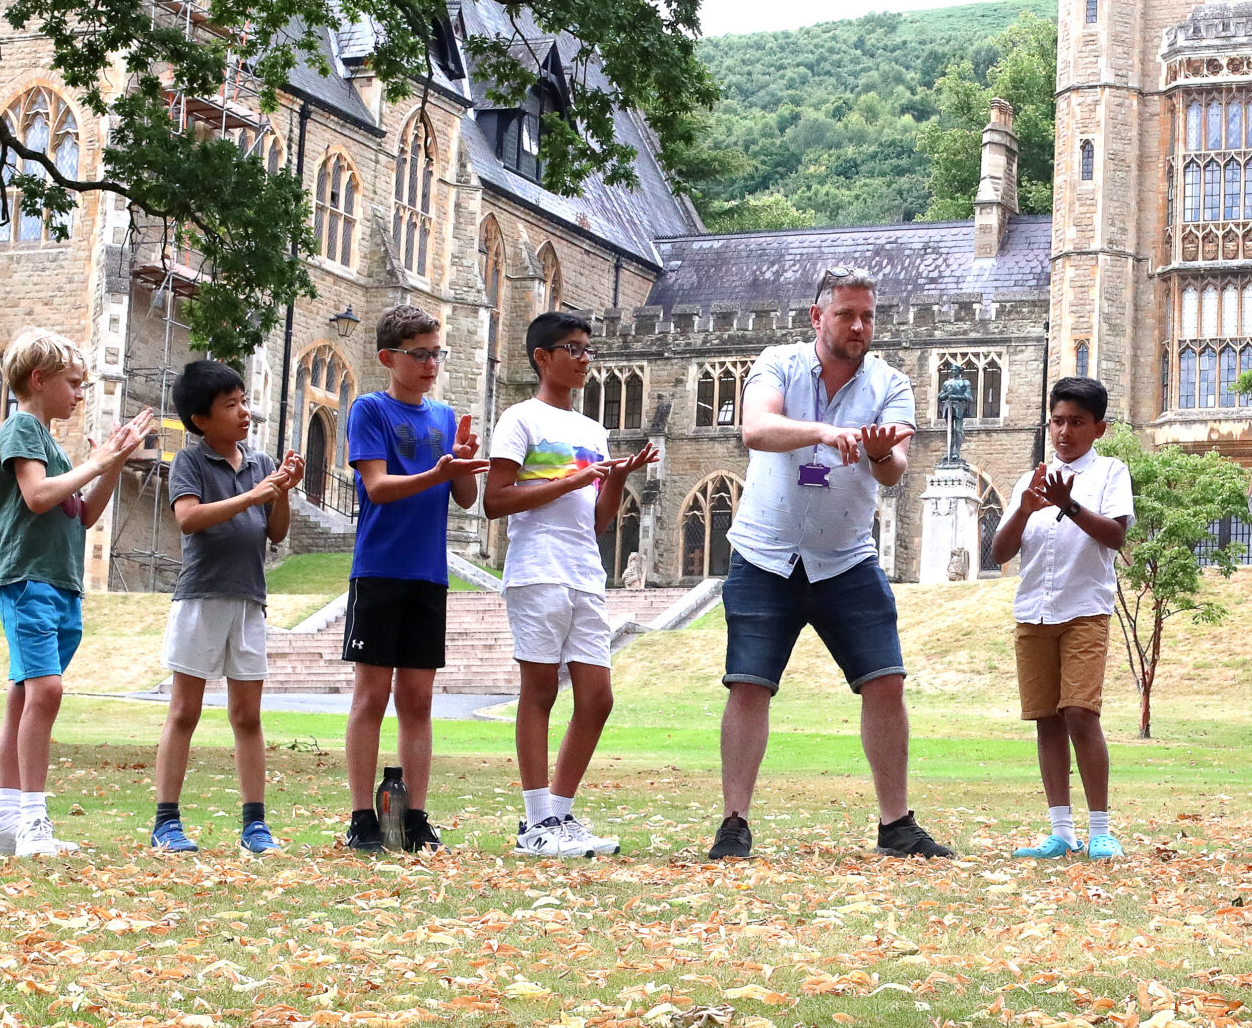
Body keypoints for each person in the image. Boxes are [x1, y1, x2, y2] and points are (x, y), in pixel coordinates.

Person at [708, 266, 950, 861]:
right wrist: (823, 431)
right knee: (748, 685)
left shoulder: (891, 384)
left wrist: (879, 453)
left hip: (846, 559)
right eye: (846, 314)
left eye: (867, 316)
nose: (859, 326)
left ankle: (896, 825)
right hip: (765, 555)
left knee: (886, 682)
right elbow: (755, 429)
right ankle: (734, 823)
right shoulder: (779, 364)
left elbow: (894, 471)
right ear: (818, 317)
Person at [485, 310, 656, 858]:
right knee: (538, 692)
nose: (585, 360)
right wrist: (571, 479)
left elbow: (598, 520)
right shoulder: (519, 418)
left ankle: (559, 813)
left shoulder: (593, 431)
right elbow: (495, 500)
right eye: (574, 349)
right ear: (543, 357)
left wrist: (618, 479)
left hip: (585, 572)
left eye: (588, 350)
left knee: (597, 698)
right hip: (538, 569)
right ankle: (536, 822)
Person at [0, 329, 157, 857]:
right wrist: (97, 462)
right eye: (74, 383)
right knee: (46, 692)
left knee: (25, 696)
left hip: (60, 582)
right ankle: (33, 822)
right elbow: (37, 496)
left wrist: (115, 462)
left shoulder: (52, 444)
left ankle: (4, 823)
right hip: (28, 578)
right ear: (39, 380)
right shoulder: (21, 427)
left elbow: (82, 514)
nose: (80, 394)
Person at [342, 305, 488, 854]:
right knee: (371, 696)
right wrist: (438, 471)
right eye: (420, 354)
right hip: (379, 570)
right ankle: (363, 817)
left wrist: (463, 464)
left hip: (429, 574)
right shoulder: (369, 410)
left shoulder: (446, 416)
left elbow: (465, 498)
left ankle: (416, 818)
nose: (431, 364)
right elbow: (377, 488)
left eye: (436, 353)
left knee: (419, 700)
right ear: (389, 358)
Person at [148, 360, 303, 855]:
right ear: (201, 420)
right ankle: (166, 823)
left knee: (248, 716)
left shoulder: (260, 462)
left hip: (249, 600)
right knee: (184, 711)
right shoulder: (189, 462)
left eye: (244, 402)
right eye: (231, 405)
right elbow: (189, 518)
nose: (244, 412)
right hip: (201, 597)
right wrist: (253, 496)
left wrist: (280, 492)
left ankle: (255, 825)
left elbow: (276, 532)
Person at [995, 376, 1135, 861]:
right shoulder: (1030, 479)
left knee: (1079, 711)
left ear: (1099, 428)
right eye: (1057, 421)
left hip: (1084, 610)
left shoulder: (1111, 472)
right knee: (1046, 718)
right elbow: (1000, 552)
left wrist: (1068, 505)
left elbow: (1115, 536)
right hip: (1033, 611)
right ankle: (1061, 832)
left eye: (1076, 422)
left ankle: (1101, 830)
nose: (1064, 432)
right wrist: (1024, 510)